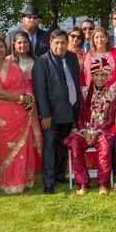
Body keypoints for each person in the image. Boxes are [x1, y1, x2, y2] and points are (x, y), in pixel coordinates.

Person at [32, 30, 81, 194]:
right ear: (50, 43)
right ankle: (49, 183)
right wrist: (45, 114)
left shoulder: (72, 58)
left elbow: (75, 83)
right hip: (51, 115)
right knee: (50, 148)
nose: (60, 46)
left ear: (67, 43)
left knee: (62, 146)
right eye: (56, 43)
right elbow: (40, 90)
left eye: (63, 43)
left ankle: (60, 175)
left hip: (70, 110)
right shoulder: (42, 62)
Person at [0, 31, 41, 194]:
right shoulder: (7, 61)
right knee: (14, 142)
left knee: (31, 139)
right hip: (14, 105)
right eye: (19, 43)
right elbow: (2, 84)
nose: (22, 45)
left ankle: (27, 175)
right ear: (13, 44)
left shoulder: (35, 61)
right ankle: (12, 175)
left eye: (25, 43)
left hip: (32, 104)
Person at [65, 58, 116, 195]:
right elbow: (78, 116)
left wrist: (97, 132)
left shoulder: (112, 94)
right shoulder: (84, 93)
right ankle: (83, 183)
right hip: (84, 130)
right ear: (92, 75)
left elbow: (112, 118)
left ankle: (103, 184)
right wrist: (84, 132)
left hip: (103, 131)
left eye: (103, 75)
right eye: (97, 75)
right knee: (75, 144)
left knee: (105, 148)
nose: (100, 78)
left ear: (108, 76)